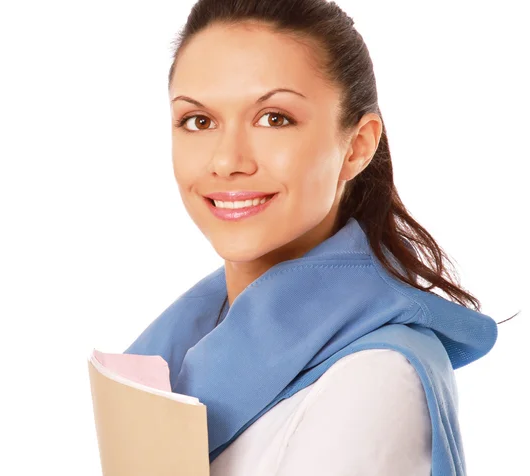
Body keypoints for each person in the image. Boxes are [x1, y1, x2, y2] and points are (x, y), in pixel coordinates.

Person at [123, 1, 500, 474]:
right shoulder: (177, 349)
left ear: (358, 146)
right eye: (199, 121)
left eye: (274, 118)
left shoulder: (373, 381)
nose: (227, 160)